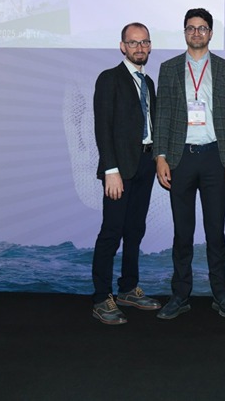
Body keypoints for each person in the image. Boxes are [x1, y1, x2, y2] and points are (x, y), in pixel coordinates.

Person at [155, 8, 225, 320]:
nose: (196, 33)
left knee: (216, 231)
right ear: (184, 32)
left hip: (216, 157)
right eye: (191, 28)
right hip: (180, 159)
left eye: (202, 28)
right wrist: (160, 156)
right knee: (183, 232)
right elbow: (162, 114)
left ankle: (221, 294)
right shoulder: (169, 68)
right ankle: (180, 294)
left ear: (211, 33)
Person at [90, 22, 161, 324]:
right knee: (112, 232)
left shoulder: (149, 82)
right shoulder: (110, 78)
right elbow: (103, 127)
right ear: (123, 47)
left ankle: (128, 289)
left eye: (144, 42)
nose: (139, 48)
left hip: (145, 165)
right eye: (133, 43)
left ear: (150, 46)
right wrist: (111, 169)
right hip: (119, 169)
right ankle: (101, 298)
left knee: (135, 230)